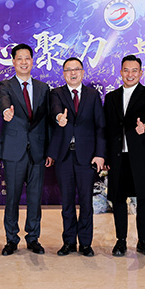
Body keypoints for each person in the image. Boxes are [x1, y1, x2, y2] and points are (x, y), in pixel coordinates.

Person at [104, 55, 145, 257]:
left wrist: (144, 124)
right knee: (119, 199)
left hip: (142, 156)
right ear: (121, 72)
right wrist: (106, 156)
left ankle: (143, 241)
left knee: (144, 198)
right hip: (118, 156)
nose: (130, 74)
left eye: (134, 70)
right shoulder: (111, 97)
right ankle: (120, 241)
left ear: (141, 73)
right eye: (126, 70)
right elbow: (107, 128)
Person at [0, 44, 52, 256]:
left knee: (35, 198)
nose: (23, 62)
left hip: (37, 150)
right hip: (14, 151)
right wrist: (6, 111)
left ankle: (33, 238)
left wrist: (49, 150)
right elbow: (3, 100)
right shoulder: (5, 85)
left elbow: (47, 121)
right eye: (19, 58)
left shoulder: (43, 88)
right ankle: (11, 239)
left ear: (32, 61)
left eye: (27, 58)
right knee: (12, 197)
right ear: (13, 62)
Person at [48, 57, 105, 257]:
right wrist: (59, 118)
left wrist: (100, 154)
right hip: (64, 156)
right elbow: (55, 109)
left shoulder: (92, 95)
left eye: (76, 69)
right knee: (67, 202)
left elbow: (100, 126)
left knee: (86, 202)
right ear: (63, 74)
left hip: (87, 157)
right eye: (68, 70)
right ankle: (69, 242)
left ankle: (86, 243)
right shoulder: (56, 93)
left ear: (82, 72)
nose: (73, 73)